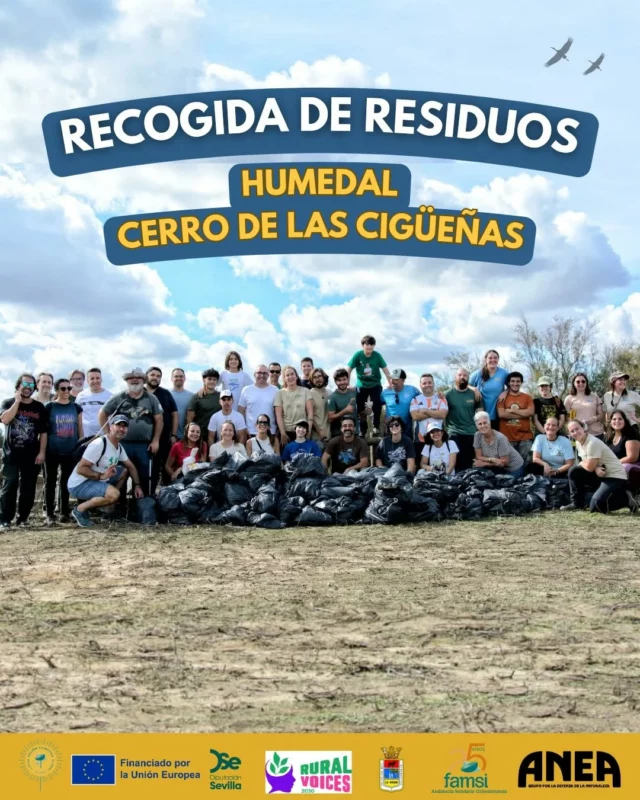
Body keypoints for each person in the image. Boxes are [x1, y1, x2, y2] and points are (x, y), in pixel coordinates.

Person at [67, 415, 144, 528]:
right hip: (79, 484)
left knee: (124, 471)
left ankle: (108, 503)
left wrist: (137, 485)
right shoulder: (99, 444)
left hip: (96, 480)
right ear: (110, 426)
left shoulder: (118, 447)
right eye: (118, 425)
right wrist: (101, 476)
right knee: (114, 494)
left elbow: (131, 467)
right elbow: (81, 469)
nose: (121, 429)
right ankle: (79, 510)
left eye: (124, 427)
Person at [99, 368, 163, 497]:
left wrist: (156, 440)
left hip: (144, 445)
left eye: (138, 378)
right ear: (126, 381)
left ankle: (141, 507)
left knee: (144, 476)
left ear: (143, 380)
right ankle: (118, 505)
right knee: (119, 474)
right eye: (130, 378)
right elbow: (102, 414)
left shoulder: (152, 398)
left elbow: (159, 420)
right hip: (122, 444)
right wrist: (109, 436)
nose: (134, 380)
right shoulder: (118, 397)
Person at [0, 374, 47, 529]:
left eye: (31, 385)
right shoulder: (8, 402)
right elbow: (5, 420)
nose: (28, 387)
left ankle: (23, 519)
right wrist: (17, 401)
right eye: (25, 383)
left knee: (28, 487)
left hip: (31, 454)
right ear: (18, 385)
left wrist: (41, 452)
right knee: (10, 484)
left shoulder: (39, 407)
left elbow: (43, 432)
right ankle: (5, 519)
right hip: (11, 454)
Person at [562, 420, 635, 514]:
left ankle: (626, 499)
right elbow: (586, 462)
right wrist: (595, 467)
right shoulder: (578, 442)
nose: (575, 432)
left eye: (577, 429)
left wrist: (593, 467)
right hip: (600, 474)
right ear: (569, 433)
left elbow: (588, 467)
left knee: (595, 506)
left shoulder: (592, 443)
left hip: (614, 476)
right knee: (574, 471)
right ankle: (577, 503)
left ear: (583, 428)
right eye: (572, 431)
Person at [43, 378, 84, 525]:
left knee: (66, 482)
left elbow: (80, 429)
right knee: (50, 481)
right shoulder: (49, 407)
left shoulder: (76, 408)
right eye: (63, 388)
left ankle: (63, 512)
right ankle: (49, 514)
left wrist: (81, 447)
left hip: (70, 451)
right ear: (57, 390)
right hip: (52, 451)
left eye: (68, 388)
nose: (66, 391)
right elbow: (44, 430)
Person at [347, 334, 392, 436]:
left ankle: (376, 427)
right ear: (363, 345)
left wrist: (390, 383)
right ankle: (363, 430)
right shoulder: (358, 355)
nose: (370, 347)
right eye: (367, 344)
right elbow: (349, 369)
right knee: (360, 408)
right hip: (361, 385)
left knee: (377, 404)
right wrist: (348, 385)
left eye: (372, 344)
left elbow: (385, 370)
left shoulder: (377, 356)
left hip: (375, 384)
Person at [145, 367, 178, 492]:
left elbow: (175, 414)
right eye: (152, 375)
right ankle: (146, 496)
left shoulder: (165, 394)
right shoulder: (140, 392)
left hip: (163, 439)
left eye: (158, 376)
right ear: (146, 376)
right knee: (146, 470)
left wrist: (173, 434)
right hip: (143, 439)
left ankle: (167, 497)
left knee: (164, 468)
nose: (155, 378)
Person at [445, 368, 483, 472]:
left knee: (468, 464)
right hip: (453, 433)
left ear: (468, 378)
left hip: (471, 432)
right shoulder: (447, 395)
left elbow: (480, 414)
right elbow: (441, 412)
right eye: (460, 375)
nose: (462, 377)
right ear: (455, 378)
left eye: (465, 375)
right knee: (455, 463)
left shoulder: (475, 394)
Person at [473, 410, 524, 477]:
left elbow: (504, 462)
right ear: (476, 426)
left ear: (489, 423)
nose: (483, 426)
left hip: (513, 468)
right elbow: (478, 456)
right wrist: (492, 459)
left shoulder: (500, 438)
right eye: (480, 424)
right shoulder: (477, 435)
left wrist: (484, 464)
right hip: (497, 467)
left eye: (485, 423)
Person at [496, 371, 534, 461]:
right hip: (507, 437)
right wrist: (523, 413)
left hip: (525, 437)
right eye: (512, 381)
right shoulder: (502, 397)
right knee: (509, 464)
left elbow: (530, 412)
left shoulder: (527, 397)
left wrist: (511, 410)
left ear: (521, 383)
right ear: (508, 383)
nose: (515, 384)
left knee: (527, 463)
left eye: (518, 381)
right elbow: (501, 414)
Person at [274, 366, 313, 447]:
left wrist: (308, 432)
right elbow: (278, 415)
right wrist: (282, 433)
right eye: (287, 375)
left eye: (292, 374)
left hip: (302, 431)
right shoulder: (280, 393)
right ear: (284, 378)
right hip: (286, 433)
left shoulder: (305, 391)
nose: (290, 377)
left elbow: (310, 413)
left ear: (296, 376)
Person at [469, 350, 509, 428]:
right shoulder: (478, 373)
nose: (493, 360)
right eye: (490, 358)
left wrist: (505, 392)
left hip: (498, 413)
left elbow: (512, 385)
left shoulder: (503, 373)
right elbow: (466, 385)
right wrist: (474, 389)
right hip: (481, 415)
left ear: (498, 359)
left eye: (495, 358)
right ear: (486, 360)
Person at [238, 365, 278, 438]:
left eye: (264, 373)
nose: (262, 375)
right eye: (259, 373)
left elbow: (278, 413)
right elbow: (241, 411)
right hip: (251, 432)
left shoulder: (275, 390)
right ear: (254, 374)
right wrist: (244, 428)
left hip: (270, 432)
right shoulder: (246, 390)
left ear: (268, 374)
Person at [564, 373, 604, 439]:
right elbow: (568, 418)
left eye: (583, 381)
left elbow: (601, 415)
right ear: (574, 383)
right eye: (578, 382)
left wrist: (594, 419)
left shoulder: (594, 396)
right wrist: (578, 424)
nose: (581, 383)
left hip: (596, 434)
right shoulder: (568, 399)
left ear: (586, 383)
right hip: (578, 434)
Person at [411, 373, 448, 443]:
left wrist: (426, 411)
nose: (427, 385)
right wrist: (435, 412)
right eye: (424, 383)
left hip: (439, 440)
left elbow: (442, 415)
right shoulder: (415, 399)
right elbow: (415, 416)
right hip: (420, 440)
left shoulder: (441, 398)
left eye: (429, 383)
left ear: (433, 384)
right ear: (420, 385)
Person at [75, 368, 113, 438]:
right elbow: (77, 417)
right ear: (87, 381)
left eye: (97, 378)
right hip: (85, 438)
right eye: (92, 378)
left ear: (101, 379)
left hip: (104, 437)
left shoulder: (110, 396)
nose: (95, 381)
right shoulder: (81, 396)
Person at [185, 368, 221, 433]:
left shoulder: (221, 396)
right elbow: (189, 417)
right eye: (209, 379)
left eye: (214, 379)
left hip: (217, 433)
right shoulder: (196, 397)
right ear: (204, 380)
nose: (212, 381)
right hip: (200, 434)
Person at [327, 368, 359, 438]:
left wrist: (367, 410)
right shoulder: (332, 397)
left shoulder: (353, 392)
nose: (342, 382)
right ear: (335, 382)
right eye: (339, 380)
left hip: (355, 433)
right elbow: (330, 418)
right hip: (339, 435)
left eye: (344, 379)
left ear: (348, 379)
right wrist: (345, 411)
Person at [170, 368, 193, 439]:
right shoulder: (166, 394)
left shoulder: (191, 396)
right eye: (176, 376)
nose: (179, 378)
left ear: (184, 378)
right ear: (171, 378)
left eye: (181, 376)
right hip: (169, 436)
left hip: (185, 437)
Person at [309, 368, 330, 444]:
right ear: (311, 380)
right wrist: (319, 431)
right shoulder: (309, 394)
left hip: (330, 435)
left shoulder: (330, 393)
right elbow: (309, 416)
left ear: (324, 377)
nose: (317, 379)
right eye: (314, 377)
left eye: (319, 376)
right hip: (316, 437)